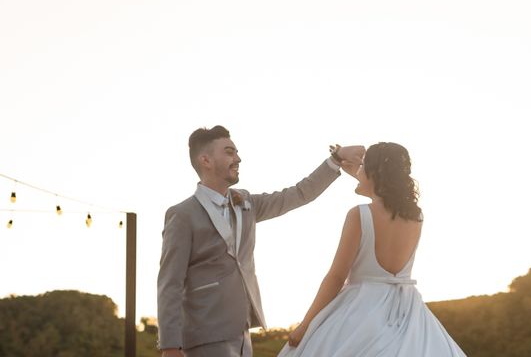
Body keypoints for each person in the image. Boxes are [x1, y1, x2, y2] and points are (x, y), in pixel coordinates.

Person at [157, 125, 364, 357]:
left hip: (243, 334)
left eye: (236, 152)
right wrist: (170, 346)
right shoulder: (182, 214)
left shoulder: (246, 202)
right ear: (205, 160)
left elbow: (298, 194)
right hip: (203, 335)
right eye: (229, 152)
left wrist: (335, 159)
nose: (238, 158)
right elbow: (170, 283)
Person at [278, 142, 467, 357]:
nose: (358, 171)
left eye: (362, 167)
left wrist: (306, 325)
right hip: (407, 312)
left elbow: (336, 277)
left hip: (360, 309)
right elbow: (385, 200)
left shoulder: (359, 214)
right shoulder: (416, 215)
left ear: (375, 174)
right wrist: (363, 176)